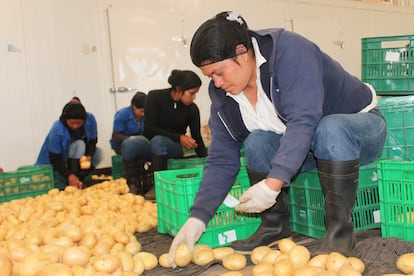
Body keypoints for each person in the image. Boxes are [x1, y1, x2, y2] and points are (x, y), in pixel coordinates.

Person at [168, 11, 387, 266]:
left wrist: (272, 185)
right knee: (257, 141)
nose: (217, 83)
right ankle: (274, 227)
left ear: (241, 52)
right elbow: (221, 159)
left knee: (330, 127)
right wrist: (198, 219)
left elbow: (304, 121)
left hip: (359, 132)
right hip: (312, 148)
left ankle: (340, 233)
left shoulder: (290, 52)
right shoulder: (225, 97)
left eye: (219, 72)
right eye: (210, 77)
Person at [143, 69, 208, 171]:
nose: (194, 97)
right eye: (191, 93)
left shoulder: (192, 109)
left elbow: (197, 137)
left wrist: (206, 161)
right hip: (150, 144)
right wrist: (179, 137)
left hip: (173, 147)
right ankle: (135, 182)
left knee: (159, 142)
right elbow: (148, 130)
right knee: (131, 144)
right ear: (179, 89)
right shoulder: (154, 97)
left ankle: (158, 183)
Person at [36, 97, 102, 189]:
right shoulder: (57, 129)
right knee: (79, 144)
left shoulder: (90, 120)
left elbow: (92, 141)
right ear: (66, 119)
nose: (75, 126)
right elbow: (55, 158)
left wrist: (89, 155)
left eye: (79, 123)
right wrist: (69, 175)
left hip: (75, 158)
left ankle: (80, 179)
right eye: (72, 123)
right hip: (57, 161)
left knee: (98, 153)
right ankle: (71, 180)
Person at [110, 91, 151, 195]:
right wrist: (130, 138)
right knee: (130, 146)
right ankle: (133, 184)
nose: (143, 114)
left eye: (145, 111)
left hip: (140, 144)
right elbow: (115, 136)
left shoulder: (146, 116)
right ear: (133, 106)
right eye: (141, 111)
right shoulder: (122, 114)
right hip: (122, 144)